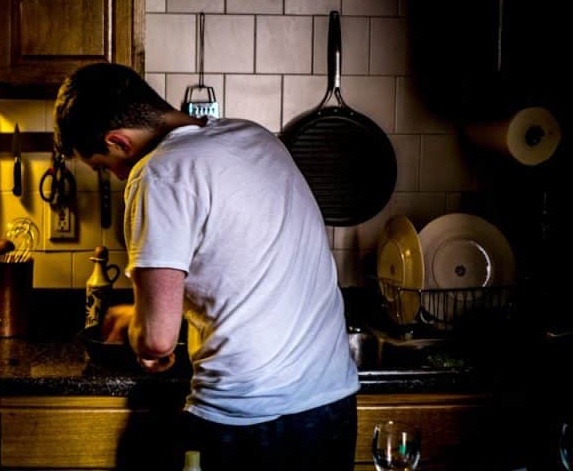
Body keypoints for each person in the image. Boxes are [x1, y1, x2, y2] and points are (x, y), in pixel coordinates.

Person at [53, 63, 359, 470]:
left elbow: (157, 342)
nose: (114, 177)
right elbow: (242, 268)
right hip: (330, 402)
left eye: (103, 166)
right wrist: (145, 312)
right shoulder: (254, 136)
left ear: (118, 141)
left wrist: (140, 330)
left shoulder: (157, 173)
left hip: (250, 416)